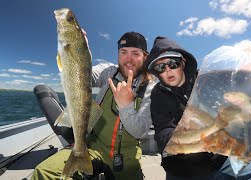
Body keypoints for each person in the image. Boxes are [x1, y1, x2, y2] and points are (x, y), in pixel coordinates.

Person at [145, 36, 251, 180]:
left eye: (173, 63)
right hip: (180, 169)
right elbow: (163, 133)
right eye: (160, 67)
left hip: (218, 160)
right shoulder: (158, 94)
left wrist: (249, 69)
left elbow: (242, 82)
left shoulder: (206, 78)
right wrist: (199, 136)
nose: (168, 70)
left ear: (183, 62)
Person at [32, 32, 157, 180]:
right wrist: (78, 50)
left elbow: (139, 132)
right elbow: (82, 77)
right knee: (44, 173)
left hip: (126, 154)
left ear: (145, 57)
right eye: (124, 52)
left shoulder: (151, 88)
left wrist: (126, 105)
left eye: (135, 53)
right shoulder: (108, 71)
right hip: (92, 145)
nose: (128, 59)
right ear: (118, 54)